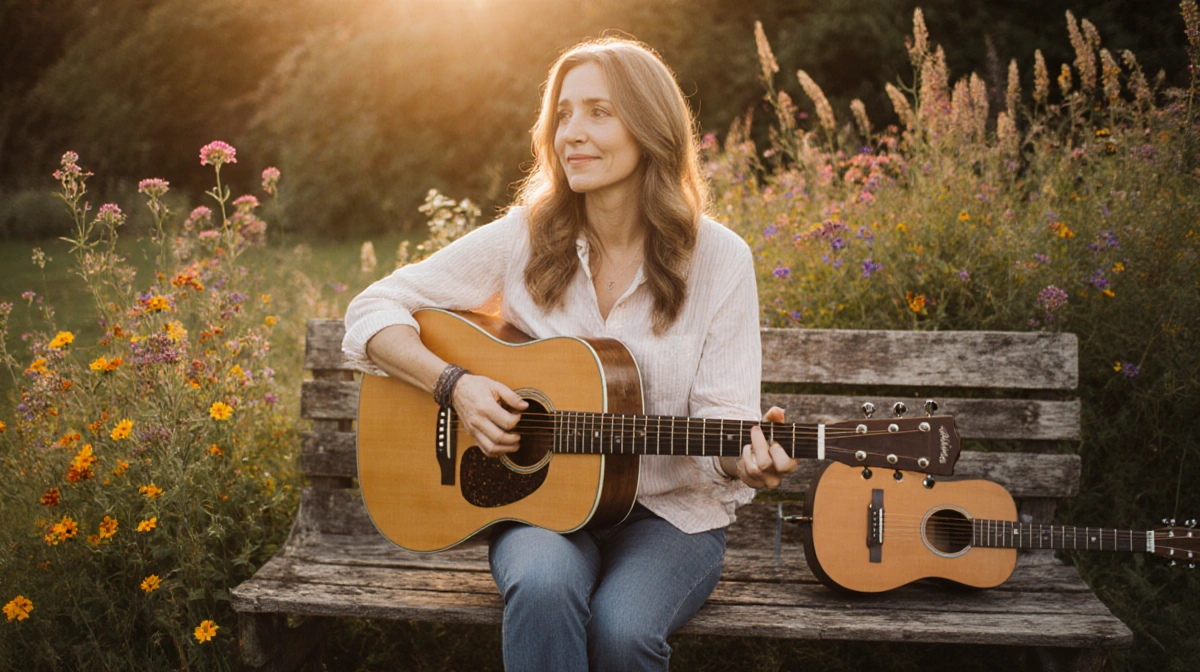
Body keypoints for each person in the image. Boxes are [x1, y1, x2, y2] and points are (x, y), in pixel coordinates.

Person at [341, 36, 797, 671]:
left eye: (599, 113)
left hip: (671, 518)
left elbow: (724, 417)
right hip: (541, 511)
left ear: (651, 129)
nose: (572, 134)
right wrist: (455, 386)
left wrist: (743, 462)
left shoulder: (720, 258)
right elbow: (371, 310)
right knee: (544, 588)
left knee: (622, 630)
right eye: (563, 114)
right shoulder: (526, 236)